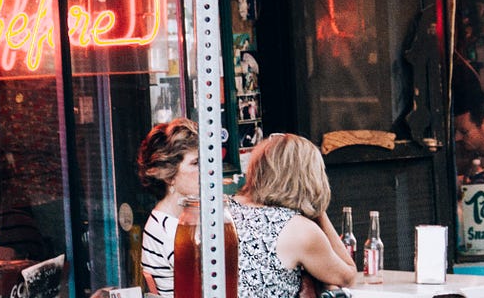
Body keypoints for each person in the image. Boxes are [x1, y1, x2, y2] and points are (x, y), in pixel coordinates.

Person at [229, 133, 359, 298]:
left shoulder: (226, 209)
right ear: (309, 177)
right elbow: (347, 277)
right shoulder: (299, 229)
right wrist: (317, 210)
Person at [134, 118, 200, 297]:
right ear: (169, 176)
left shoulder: (169, 219)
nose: (206, 170)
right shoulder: (170, 231)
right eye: (195, 163)